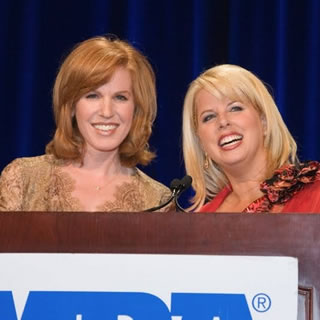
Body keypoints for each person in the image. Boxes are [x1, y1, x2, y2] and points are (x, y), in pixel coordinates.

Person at [0, 35, 172, 212]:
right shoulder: (23, 179)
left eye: (120, 97)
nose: (107, 112)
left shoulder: (158, 201)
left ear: (136, 109)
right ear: (71, 105)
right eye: (93, 96)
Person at [183, 64, 320, 213]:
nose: (223, 121)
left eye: (235, 108)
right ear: (201, 142)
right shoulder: (202, 221)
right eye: (209, 117)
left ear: (264, 122)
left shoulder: (315, 191)